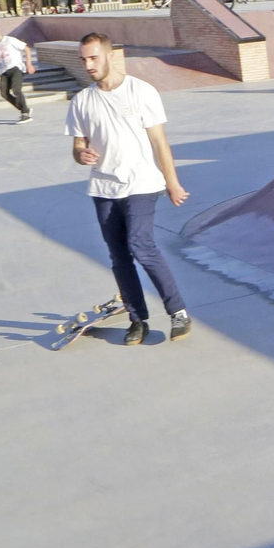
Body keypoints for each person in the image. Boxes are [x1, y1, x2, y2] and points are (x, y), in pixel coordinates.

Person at [64, 32, 194, 345]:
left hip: (142, 182)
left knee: (140, 243)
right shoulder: (83, 100)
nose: (88, 65)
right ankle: (138, 320)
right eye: (84, 59)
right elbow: (78, 144)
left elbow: (159, 141)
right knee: (119, 256)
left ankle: (178, 312)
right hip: (103, 186)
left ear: (109, 55)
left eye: (93, 57)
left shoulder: (140, 91)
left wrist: (172, 182)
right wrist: (81, 154)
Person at [0, 22, 34, 122]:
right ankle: (24, 109)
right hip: (5, 70)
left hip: (16, 68)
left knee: (16, 90)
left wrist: (29, 64)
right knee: (4, 93)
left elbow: (27, 49)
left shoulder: (10, 40)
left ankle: (25, 114)